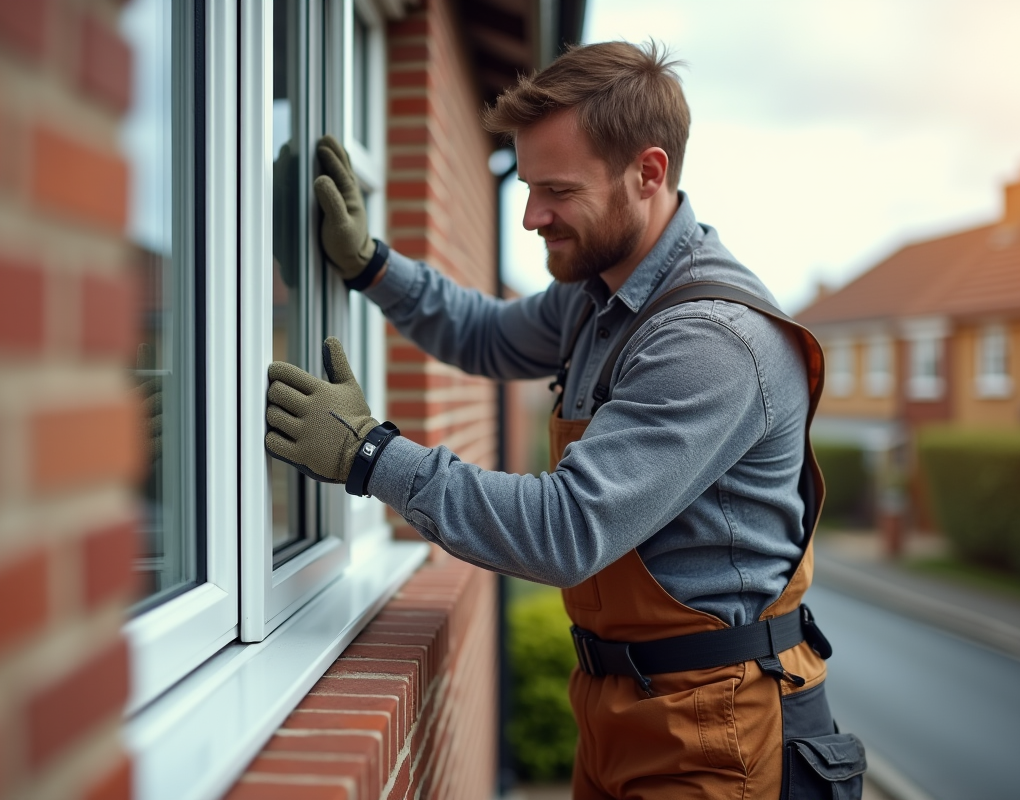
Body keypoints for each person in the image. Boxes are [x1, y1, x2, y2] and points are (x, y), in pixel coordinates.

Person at [264, 40, 865, 799]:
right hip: (622, 708)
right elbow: (486, 334)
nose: (529, 216)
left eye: (556, 190)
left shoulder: (709, 339)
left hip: (720, 731)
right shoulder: (603, 290)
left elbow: (566, 529)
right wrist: (372, 266)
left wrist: (370, 455)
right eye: (525, 184)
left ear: (648, 173)